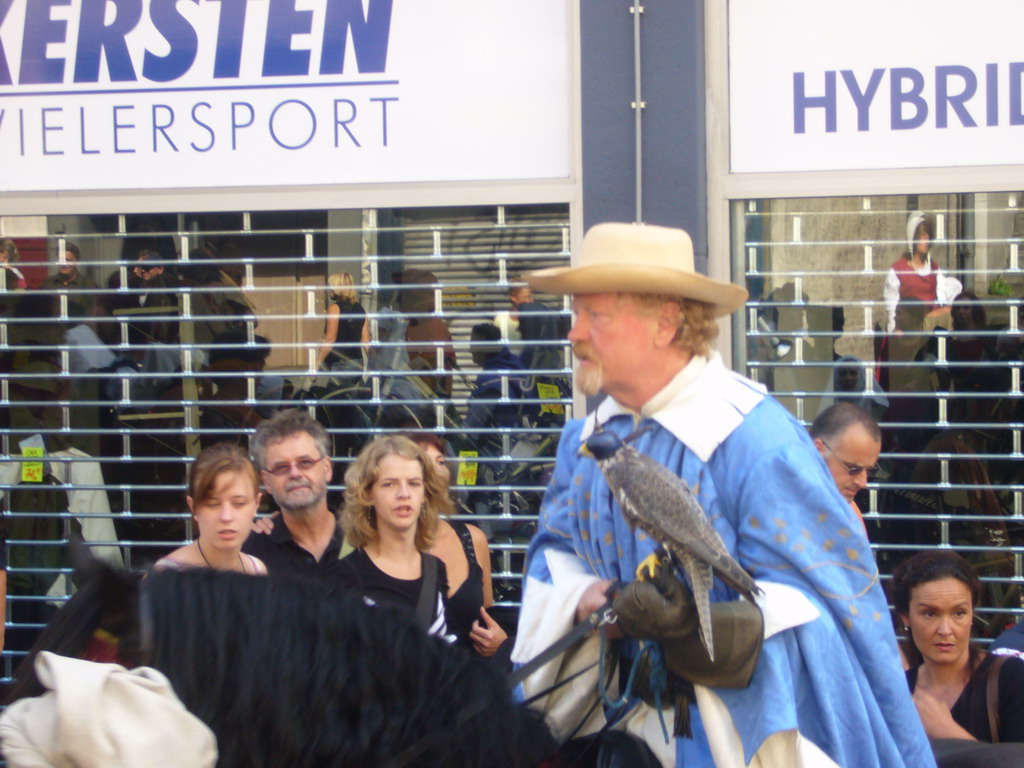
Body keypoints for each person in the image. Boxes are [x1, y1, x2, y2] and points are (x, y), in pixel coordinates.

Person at [512, 223, 933, 767]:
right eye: (576, 315)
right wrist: (588, 597)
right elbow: (554, 553)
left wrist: (721, 631)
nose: (574, 334)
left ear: (664, 323)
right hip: (612, 737)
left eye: (595, 316)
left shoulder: (756, 443)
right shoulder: (585, 442)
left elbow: (840, 610)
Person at [892, 550, 1024, 743]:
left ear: (972, 614)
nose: (945, 630)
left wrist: (948, 733)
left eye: (959, 613)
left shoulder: (1011, 678)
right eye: (930, 614)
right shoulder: (898, 692)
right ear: (906, 616)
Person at [334, 436, 451, 639]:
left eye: (414, 483)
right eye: (389, 484)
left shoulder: (436, 569)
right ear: (368, 493)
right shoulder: (347, 575)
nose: (404, 494)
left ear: (425, 492)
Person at [404, 432, 508, 657]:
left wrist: (499, 643)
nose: (436, 470)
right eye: (423, 461)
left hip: (468, 682)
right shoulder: (380, 544)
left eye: (441, 462)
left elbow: (487, 617)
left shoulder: (473, 539)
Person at [242, 409, 343, 580]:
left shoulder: (365, 540)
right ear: (266, 480)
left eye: (305, 462)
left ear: (327, 468)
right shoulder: (248, 555)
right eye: (281, 467)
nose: (295, 473)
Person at [154, 443, 267, 575]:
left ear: (256, 503)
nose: (226, 516)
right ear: (193, 506)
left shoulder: (256, 570)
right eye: (213, 504)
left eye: (239, 503)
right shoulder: (167, 576)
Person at [883, 211, 962, 333]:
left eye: (928, 235)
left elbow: (941, 303)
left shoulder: (935, 269)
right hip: (906, 331)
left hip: (929, 331)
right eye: (921, 235)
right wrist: (894, 334)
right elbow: (892, 309)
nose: (926, 240)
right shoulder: (898, 270)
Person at [808, 402, 882, 528]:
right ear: (818, 451)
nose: (863, 483)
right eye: (854, 468)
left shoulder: (850, 513)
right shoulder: (773, 507)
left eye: (869, 470)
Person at [464, 322, 528, 432]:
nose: (471, 350)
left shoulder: (491, 380)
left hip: (501, 444)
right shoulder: (514, 367)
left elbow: (473, 425)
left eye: (474, 344)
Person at [315, 271, 369, 378]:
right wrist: (374, 360)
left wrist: (316, 363)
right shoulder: (360, 309)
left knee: (335, 393)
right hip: (357, 362)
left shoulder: (334, 308)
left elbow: (330, 339)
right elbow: (366, 341)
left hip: (340, 362)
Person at [49, 241, 96, 321]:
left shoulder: (89, 285)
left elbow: (94, 315)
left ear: (77, 262)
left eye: (68, 260)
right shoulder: (48, 284)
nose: (64, 264)